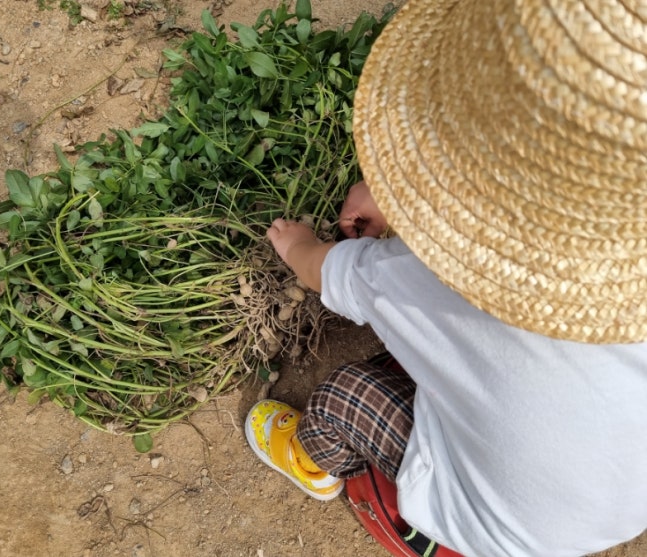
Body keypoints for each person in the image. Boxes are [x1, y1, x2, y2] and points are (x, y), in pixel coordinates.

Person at [243, 0, 647, 556]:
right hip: (619, 505)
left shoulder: (408, 276)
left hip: (511, 527)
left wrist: (297, 245)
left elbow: (321, 269)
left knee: (345, 397)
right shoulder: (622, 276)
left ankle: (314, 464)